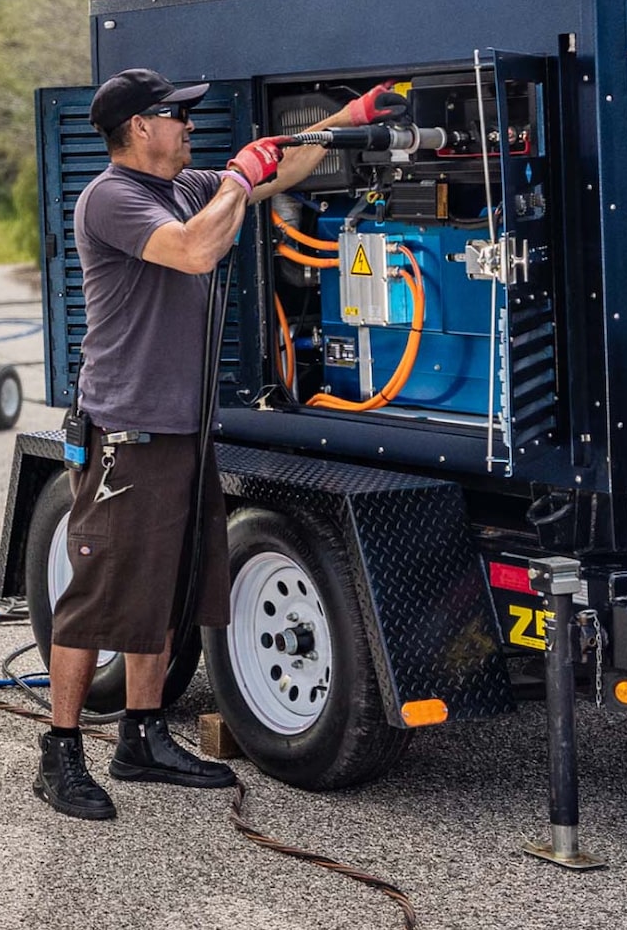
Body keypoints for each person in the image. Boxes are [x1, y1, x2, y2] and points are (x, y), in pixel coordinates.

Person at [35, 66, 407, 819]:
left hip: (183, 427)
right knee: (96, 599)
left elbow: (281, 162)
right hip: (129, 431)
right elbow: (196, 251)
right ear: (139, 128)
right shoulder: (112, 198)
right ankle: (61, 753)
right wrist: (237, 179)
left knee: (165, 591)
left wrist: (348, 116)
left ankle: (142, 737)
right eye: (175, 116)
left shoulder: (185, 183)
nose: (188, 127)